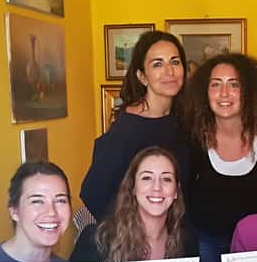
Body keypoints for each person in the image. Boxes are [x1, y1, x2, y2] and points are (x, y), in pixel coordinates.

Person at [180, 52, 257, 262]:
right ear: (204, 92)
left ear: (248, 92)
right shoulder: (191, 138)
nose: (224, 93)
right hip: (205, 246)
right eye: (215, 84)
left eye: (234, 84)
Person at [71, 146, 203, 262]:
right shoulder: (97, 239)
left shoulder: (187, 239)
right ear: (133, 187)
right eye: (147, 178)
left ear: (176, 191)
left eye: (166, 179)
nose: (157, 187)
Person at [80, 30, 191, 220]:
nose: (169, 71)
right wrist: (134, 228)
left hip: (177, 230)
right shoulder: (127, 129)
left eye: (175, 62)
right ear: (142, 76)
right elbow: (93, 193)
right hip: (138, 234)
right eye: (157, 64)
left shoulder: (184, 119)